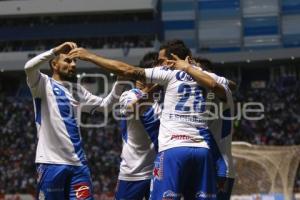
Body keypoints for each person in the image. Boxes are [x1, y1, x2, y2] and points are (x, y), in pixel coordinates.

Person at [68, 40, 230, 199]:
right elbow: (134, 108)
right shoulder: (129, 95)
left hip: (160, 165)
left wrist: (191, 71)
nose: (161, 68)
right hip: (134, 172)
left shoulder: (166, 93)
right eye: (157, 66)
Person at [24, 42, 125, 199]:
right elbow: (29, 67)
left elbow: (106, 106)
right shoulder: (42, 83)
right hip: (51, 163)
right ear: (54, 64)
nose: (73, 65)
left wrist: (120, 81)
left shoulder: (78, 90)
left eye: (74, 61)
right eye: (68, 60)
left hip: (79, 165)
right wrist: (55, 51)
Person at [114, 52, 161, 200]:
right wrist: (153, 87)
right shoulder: (129, 95)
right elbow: (131, 109)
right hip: (133, 173)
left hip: (157, 173)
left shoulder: (160, 101)